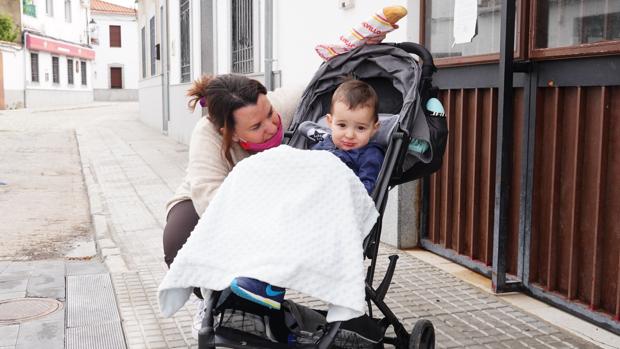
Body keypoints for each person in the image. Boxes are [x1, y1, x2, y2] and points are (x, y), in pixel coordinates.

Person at [312, 79, 384, 194]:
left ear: (374, 128)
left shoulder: (370, 154)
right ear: (330, 122)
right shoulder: (324, 143)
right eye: (342, 125)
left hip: (341, 198)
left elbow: (366, 188)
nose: (350, 135)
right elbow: (308, 164)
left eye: (360, 128)